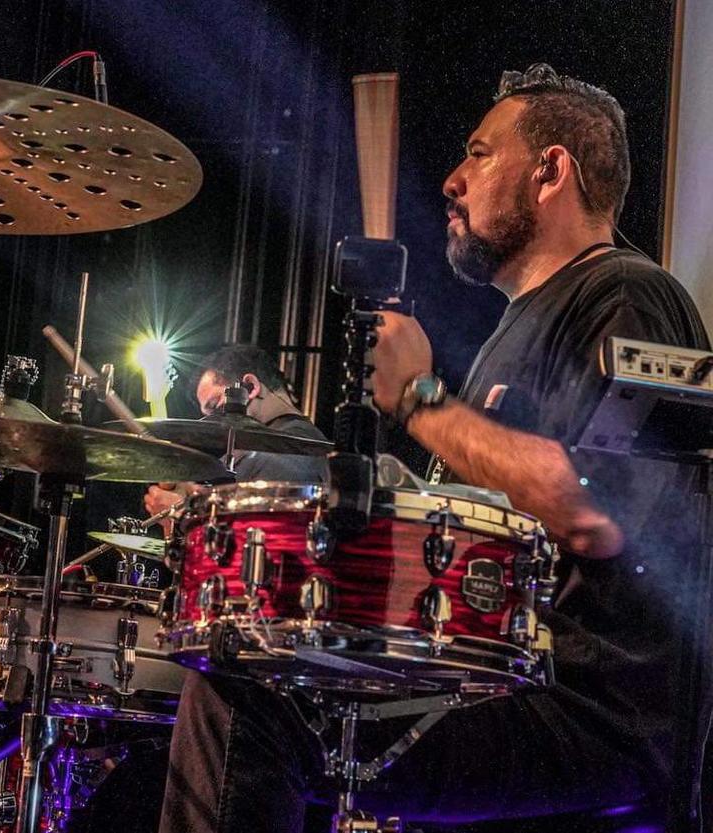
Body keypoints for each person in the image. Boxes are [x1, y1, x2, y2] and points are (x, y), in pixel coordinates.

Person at [157, 63, 710, 832]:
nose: (452, 179)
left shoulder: (627, 295)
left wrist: (421, 399)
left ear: (551, 170)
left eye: (479, 154)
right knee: (240, 655)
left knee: (247, 695)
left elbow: (593, 513)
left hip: (585, 714)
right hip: (500, 684)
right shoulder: (516, 327)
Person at [143, 343, 328, 519]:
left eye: (215, 406)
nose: (211, 422)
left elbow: (250, 533)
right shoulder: (255, 450)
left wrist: (182, 514)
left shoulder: (291, 452)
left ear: (250, 387)